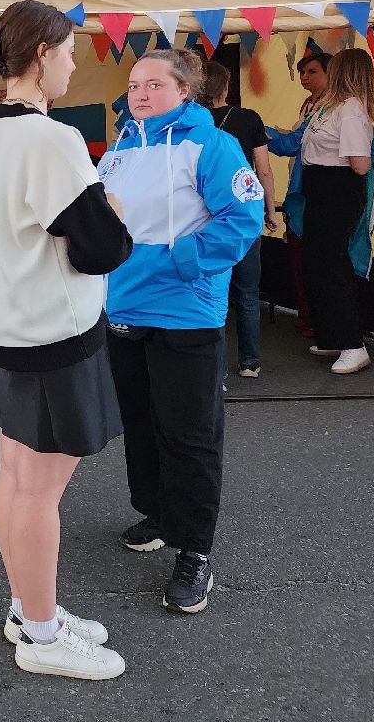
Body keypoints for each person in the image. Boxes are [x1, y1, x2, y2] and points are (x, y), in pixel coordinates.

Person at [0, 1, 133, 680]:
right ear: (39, 54)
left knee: (18, 481)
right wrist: (115, 210)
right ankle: (40, 632)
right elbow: (101, 247)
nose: (73, 62)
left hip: (6, 330)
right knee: (37, 492)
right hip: (51, 335)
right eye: (66, 51)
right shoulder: (49, 140)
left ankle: (30, 610)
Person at [98, 48, 263, 615]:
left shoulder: (212, 144)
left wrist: (179, 264)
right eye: (133, 84)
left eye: (153, 85)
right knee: (139, 423)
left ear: (184, 91)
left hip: (185, 314)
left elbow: (242, 219)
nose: (138, 94)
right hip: (124, 310)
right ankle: (158, 513)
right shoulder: (122, 146)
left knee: (189, 435)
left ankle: (194, 549)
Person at [294, 48, 374, 375]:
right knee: (317, 263)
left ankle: (353, 344)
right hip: (321, 190)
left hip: (337, 191)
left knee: (332, 265)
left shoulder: (350, 110)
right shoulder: (330, 108)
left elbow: (360, 165)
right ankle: (333, 334)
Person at [198, 62, 281, 378]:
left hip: (204, 218)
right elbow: (263, 169)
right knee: (247, 292)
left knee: (210, 294)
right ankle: (249, 362)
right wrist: (270, 211)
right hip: (243, 216)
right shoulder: (248, 119)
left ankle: (213, 371)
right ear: (226, 86)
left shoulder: (187, 123)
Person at [281, 52, 330, 336]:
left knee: (317, 261)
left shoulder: (336, 106)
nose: (305, 77)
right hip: (299, 188)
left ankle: (320, 320)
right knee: (300, 259)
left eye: (312, 71)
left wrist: (262, 133)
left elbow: (295, 144)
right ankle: (309, 317)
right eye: (302, 72)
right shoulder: (308, 105)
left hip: (319, 193)